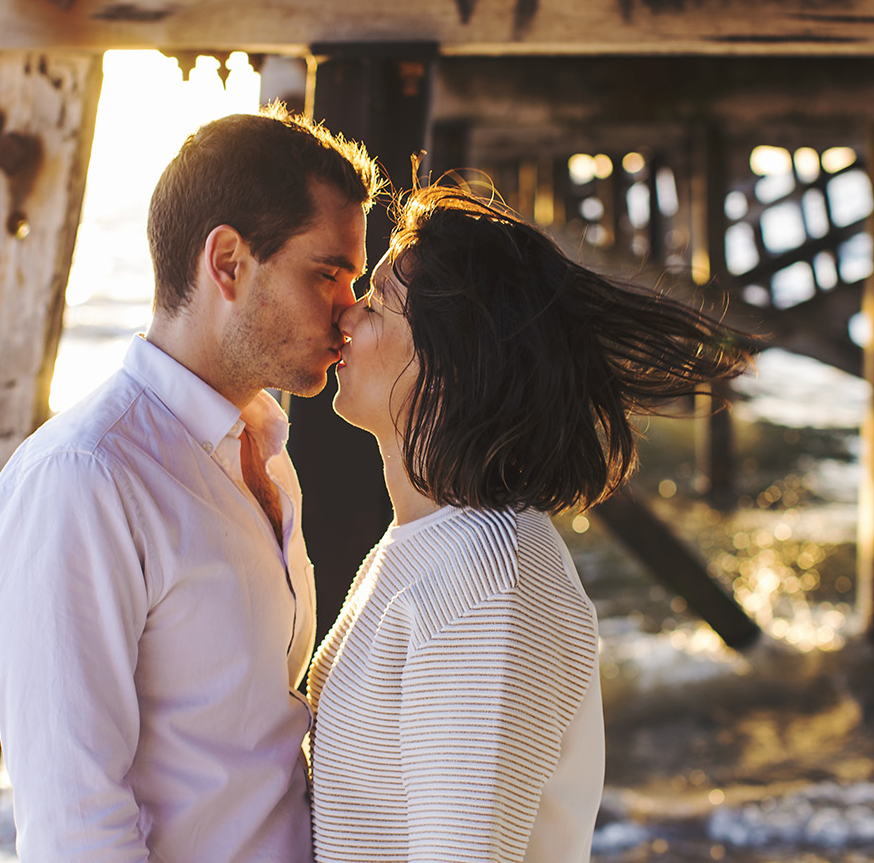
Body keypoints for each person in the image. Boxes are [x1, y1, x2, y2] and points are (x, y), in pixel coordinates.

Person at [0, 105, 379, 862]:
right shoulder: (84, 480)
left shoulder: (260, 446)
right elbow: (74, 830)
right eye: (325, 272)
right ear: (226, 261)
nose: (349, 311)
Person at [307, 183, 754, 863]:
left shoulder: (485, 592)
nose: (346, 315)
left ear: (448, 362)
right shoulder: (428, 546)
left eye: (375, 303)